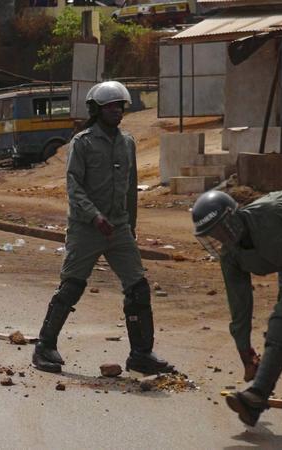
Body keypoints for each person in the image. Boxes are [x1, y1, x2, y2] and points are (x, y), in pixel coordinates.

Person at [31, 81, 174, 375]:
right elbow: (73, 186)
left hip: (119, 229)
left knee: (138, 288)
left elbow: (130, 190)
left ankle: (141, 354)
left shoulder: (128, 143)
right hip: (87, 228)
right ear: (97, 110)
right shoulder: (82, 143)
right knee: (71, 287)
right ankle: (44, 346)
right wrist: (95, 217)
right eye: (110, 106)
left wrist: (130, 227)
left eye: (120, 106)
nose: (117, 111)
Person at [192, 190, 282, 426]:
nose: (221, 237)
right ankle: (253, 404)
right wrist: (245, 350)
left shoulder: (272, 208)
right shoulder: (231, 256)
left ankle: (256, 397)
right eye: (213, 234)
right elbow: (239, 304)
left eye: (222, 227)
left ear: (234, 215)